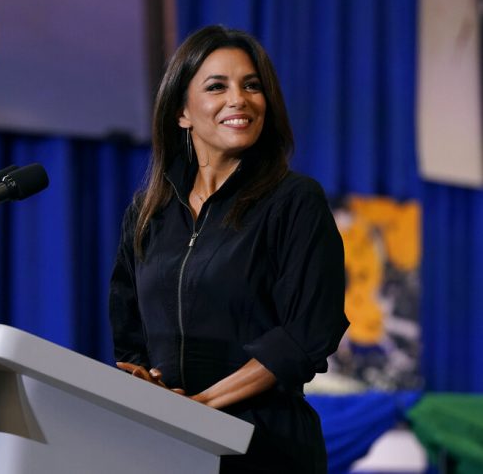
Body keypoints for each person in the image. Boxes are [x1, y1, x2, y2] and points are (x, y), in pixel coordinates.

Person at [108, 25, 348, 473]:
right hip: (165, 444)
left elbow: (306, 334)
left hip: (265, 446)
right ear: (181, 111)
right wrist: (151, 389)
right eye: (217, 86)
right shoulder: (147, 213)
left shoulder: (295, 201)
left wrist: (201, 404)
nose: (239, 99)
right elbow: (129, 335)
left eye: (252, 86)